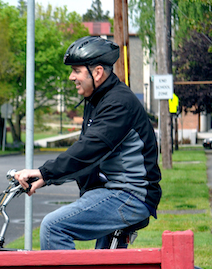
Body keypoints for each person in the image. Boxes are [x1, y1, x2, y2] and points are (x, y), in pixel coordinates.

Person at [14, 36, 161, 250]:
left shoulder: (118, 103)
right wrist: (47, 178)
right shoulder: (96, 100)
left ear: (98, 72)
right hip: (113, 190)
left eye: (76, 70)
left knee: (53, 227)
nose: (71, 77)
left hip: (130, 194)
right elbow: (86, 157)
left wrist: (45, 172)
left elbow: (89, 150)